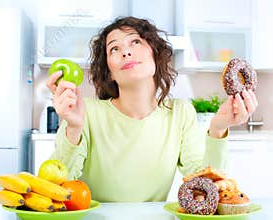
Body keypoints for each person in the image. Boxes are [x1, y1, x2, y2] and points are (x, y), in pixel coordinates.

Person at [46, 17, 258, 202]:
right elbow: (58, 186)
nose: (126, 52)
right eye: (114, 48)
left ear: (155, 54)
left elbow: (203, 185)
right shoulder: (87, 112)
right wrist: (73, 128)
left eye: (135, 41)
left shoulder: (180, 113)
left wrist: (218, 128)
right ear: (109, 72)